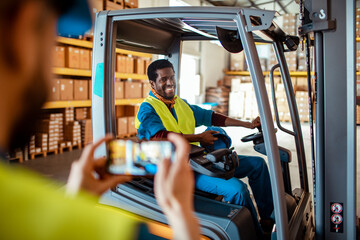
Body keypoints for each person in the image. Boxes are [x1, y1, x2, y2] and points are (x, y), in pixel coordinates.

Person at [0, 0, 199, 239]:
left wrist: (76, 201)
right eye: (52, 41)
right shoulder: (108, 231)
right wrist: (181, 214)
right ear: (26, 27)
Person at [136, 59, 274, 233]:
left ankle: (268, 221)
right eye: (163, 79)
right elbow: (160, 136)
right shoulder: (148, 109)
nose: (170, 82)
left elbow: (212, 117)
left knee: (258, 165)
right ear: (152, 83)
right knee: (238, 190)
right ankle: (253, 235)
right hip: (176, 170)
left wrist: (247, 124)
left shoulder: (180, 104)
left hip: (196, 160)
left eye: (172, 77)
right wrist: (199, 137)